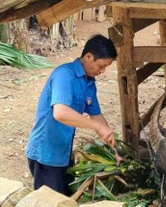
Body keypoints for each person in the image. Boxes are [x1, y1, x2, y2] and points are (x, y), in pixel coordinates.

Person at [26, 34, 120, 196]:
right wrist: (96, 126)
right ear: (89, 56)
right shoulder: (64, 75)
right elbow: (60, 113)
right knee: (50, 202)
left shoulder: (89, 82)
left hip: (63, 153)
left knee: (66, 199)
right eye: (101, 66)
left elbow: (97, 116)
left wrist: (116, 151)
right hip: (46, 155)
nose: (102, 71)